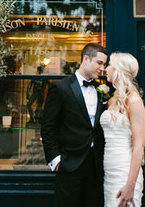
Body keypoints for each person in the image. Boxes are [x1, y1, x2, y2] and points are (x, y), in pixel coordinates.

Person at [41, 43, 108, 207]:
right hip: (69, 164)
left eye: (104, 64)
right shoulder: (61, 87)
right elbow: (48, 126)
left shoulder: (102, 89)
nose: (103, 68)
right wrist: (55, 160)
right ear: (86, 59)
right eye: (99, 63)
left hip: (97, 165)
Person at [101, 53, 145, 207]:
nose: (105, 69)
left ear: (119, 69)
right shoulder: (112, 100)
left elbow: (139, 145)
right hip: (109, 169)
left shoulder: (133, 100)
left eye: (110, 65)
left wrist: (130, 185)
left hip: (125, 170)